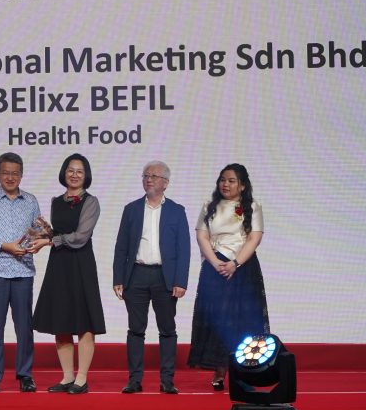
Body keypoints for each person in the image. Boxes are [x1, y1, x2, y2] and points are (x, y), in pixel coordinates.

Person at [187, 163, 269, 391]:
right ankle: (219, 369)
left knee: (243, 319)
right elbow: (202, 236)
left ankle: (244, 371)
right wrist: (215, 262)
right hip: (215, 268)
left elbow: (254, 238)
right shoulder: (209, 206)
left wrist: (235, 263)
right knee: (218, 319)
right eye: (223, 179)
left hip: (243, 268)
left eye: (232, 181)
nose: (226, 184)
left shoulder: (252, 207)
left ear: (242, 186)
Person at [112, 161, 190, 394]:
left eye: (154, 176)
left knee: (167, 329)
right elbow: (121, 247)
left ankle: (167, 380)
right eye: (145, 175)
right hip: (136, 275)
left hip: (165, 277)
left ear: (165, 183)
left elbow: (184, 249)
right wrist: (118, 278)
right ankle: (134, 380)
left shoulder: (177, 211)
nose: (148, 179)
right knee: (136, 329)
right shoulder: (131, 209)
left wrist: (180, 281)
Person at [0, 152, 50, 393]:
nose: (10, 177)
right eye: (5, 173)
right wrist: (6, 246)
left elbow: (37, 231)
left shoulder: (31, 200)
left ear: (21, 175)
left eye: (15, 173)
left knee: (24, 326)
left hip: (23, 270)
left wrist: (42, 235)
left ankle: (25, 375)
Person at [33, 154, 106, 394]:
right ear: (64, 173)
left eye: (79, 171)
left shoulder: (91, 202)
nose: (74, 175)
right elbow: (60, 233)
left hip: (81, 264)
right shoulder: (56, 201)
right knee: (61, 321)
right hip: (59, 264)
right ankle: (67, 377)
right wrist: (46, 233)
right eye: (71, 170)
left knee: (85, 321)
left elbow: (81, 236)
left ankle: (81, 379)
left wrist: (50, 241)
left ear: (86, 176)